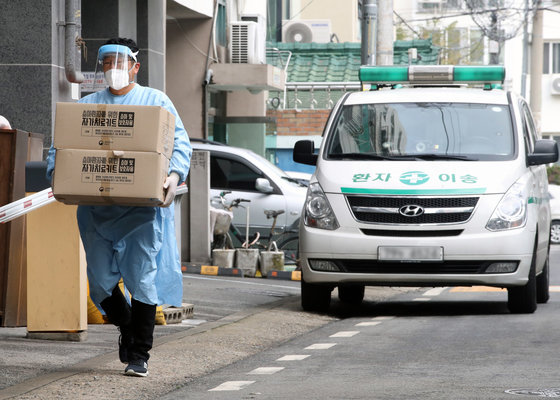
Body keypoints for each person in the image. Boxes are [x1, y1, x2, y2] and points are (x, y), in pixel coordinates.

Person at [46, 38, 192, 377]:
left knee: (142, 279)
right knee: (99, 282)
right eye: (108, 61)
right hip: (95, 211)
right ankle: (127, 327)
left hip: (140, 214)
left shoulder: (155, 102)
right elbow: (64, 146)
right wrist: (59, 174)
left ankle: (139, 354)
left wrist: (173, 174)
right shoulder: (87, 106)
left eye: (120, 61)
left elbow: (179, 142)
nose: (114, 68)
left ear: (135, 66)